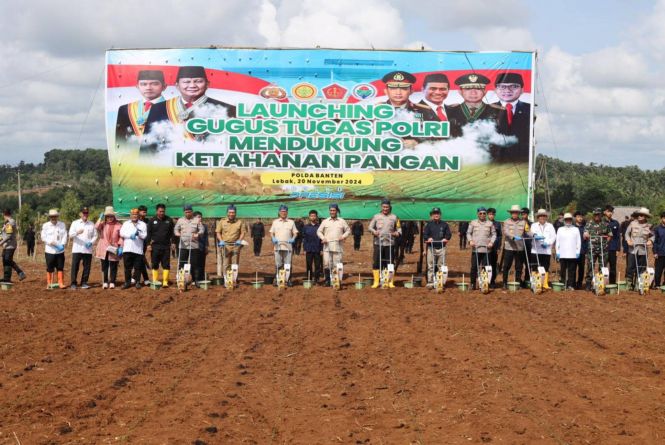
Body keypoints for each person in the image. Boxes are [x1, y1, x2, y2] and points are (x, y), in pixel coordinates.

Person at [141, 66, 237, 154]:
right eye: (186, 82)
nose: (192, 85)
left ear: (208, 84)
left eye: (198, 81)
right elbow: (147, 146)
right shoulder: (158, 108)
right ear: (177, 85)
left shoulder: (227, 109)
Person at [446, 73, 506, 140]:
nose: (473, 92)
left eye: (478, 88)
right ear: (460, 91)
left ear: (485, 91)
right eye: (468, 88)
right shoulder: (449, 111)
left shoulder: (498, 111)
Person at [115, 70, 166, 145]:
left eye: (154, 84)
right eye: (143, 84)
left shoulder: (173, 108)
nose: (148, 88)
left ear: (164, 87)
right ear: (137, 87)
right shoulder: (125, 109)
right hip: (131, 155)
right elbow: (119, 140)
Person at [491, 72, 531, 162]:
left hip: (522, 160)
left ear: (522, 90)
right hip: (493, 161)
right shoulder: (487, 110)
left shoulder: (530, 109)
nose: (508, 90)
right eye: (502, 86)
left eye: (514, 86)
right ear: (495, 90)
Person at [368, 199, 402, 288]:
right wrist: (374, 231)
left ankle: (390, 281)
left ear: (389, 207)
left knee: (390, 263)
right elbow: (370, 227)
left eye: (387, 207)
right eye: (384, 207)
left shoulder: (395, 217)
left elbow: (399, 229)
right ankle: (376, 282)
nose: (385, 209)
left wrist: (396, 233)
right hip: (378, 243)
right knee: (376, 262)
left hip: (390, 243)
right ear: (381, 207)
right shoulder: (376, 216)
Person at [317, 203, 351, 287]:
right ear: (329, 211)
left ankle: (337, 281)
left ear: (337, 211)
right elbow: (318, 231)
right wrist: (323, 238)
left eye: (334, 210)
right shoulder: (325, 221)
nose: (332, 212)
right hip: (327, 246)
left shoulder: (341, 221)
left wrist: (343, 236)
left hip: (337, 246)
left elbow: (348, 230)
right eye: (331, 210)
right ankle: (327, 281)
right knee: (327, 263)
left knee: (337, 264)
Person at [215, 205, 247, 285]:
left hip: (236, 245)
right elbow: (218, 232)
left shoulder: (240, 222)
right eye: (230, 212)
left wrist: (239, 240)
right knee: (226, 264)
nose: (231, 214)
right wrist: (221, 241)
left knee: (235, 264)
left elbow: (243, 232)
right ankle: (226, 280)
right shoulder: (222, 221)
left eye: (233, 212)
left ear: (235, 213)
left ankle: (234, 279)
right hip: (225, 245)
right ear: (227, 213)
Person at [146, 203, 175, 288]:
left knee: (166, 264)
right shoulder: (152, 220)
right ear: (157, 211)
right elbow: (149, 234)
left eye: (163, 211)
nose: (162, 213)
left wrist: (173, 242)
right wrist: (148, 244)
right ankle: (155, 281)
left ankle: (165, 282)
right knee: (155, 264)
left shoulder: (169, 220)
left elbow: (172, 233)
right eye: (160, 211)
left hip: (166, 246)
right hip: (155, 246)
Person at [467, 207, 497, 290]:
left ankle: (484, 284)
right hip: (476, 249)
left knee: (485, 267)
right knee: (474, 267)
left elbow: (494, 234)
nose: (482, 215)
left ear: (486, 214)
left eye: (484, 213)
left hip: (486, 250)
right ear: (477, 214)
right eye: (480, 213)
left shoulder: (490, 223)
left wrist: (491, 242)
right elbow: (468, 233)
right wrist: (470, 241)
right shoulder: (473, 223)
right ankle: (472, 284)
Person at [625, 207, 654, 290]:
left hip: (643, 250)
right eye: (639, 215)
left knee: (642, 268)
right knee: (630, 267)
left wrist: (651, 241)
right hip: (632, 250)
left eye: (642, 215)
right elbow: (627, 234)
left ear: (645, 217)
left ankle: (639, 285)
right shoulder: (632, 224)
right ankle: (629, 285)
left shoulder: (649, 226)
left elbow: (654, 236)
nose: (639, 216)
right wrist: (628, 241)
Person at [68, 206, 97, 289]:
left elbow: (95, 235)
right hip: (77, 249)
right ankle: (73, 283)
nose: (85, 214)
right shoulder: (75, 223)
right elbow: (70, 235)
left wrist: (91, 242)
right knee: (75, 266)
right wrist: (77, 232)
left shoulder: (91, 224)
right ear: (81, 214)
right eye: (84, 213)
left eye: (86, 213)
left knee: (87, 267)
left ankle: (84, 282)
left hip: (87, 249)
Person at [583, 208, 612, 291]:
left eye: (598, 214)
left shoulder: (605, 224)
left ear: (600, 215)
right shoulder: (589, 224)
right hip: (592, 249)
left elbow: (610, 235)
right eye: (595, 214)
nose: (597, 216)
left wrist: (606, 243)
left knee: (602, 266)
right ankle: (588, 284)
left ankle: (600, 283)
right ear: (593, 215)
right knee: (590, 266)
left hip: (603, 249)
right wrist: (586, 235)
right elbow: (585, 235)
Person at [174, 204, 204, 284]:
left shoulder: (197, 220)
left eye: (189, 212)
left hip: (193, 245)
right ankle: (181, 279)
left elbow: (202, 229)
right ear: (184, 212)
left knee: (194, 263)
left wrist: (198, 234)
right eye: (186, 212)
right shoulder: (180, 220)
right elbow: (176, 229)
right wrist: (177, 233)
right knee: (182, 263)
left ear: (192, 212)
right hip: (183, 245)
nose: (188, 213)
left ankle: (195, 280)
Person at [269, 205, 298, 287]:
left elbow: (295, 232)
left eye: (285, 211)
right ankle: (277, 279)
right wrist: (273, 238)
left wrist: (293, 238)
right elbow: (271, 232)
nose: (283, 213)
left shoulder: (291, 222)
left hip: (288, 247)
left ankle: (288, 280)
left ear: (287, 212)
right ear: (279, 212)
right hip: (277, 247)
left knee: (288, 264)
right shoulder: (275, 222)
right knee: (278, 264)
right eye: (282, 211)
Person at [423, 207, 452, 288]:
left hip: (441, 247)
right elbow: (425, 234)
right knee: (430, 265)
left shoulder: (444, 224)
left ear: (440, 214)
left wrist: (446, 238)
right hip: (431, 248)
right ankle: (430, 281)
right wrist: (428, 238)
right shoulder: (429, 224)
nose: (436, 215)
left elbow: (449, 234)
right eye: (434, 213)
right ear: (432, 215)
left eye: (438, 213)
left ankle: (440, 281)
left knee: (441, 265)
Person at [95, 206, 123, 289]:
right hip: (103, 248)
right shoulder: (103, 224)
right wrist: (100, 218)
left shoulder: (119, 225)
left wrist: (120, 246)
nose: (110, 218)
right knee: (104, 265)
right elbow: (96, 227)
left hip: (114, 248)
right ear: (105, 217)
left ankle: (112, 281)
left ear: (114, 216)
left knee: (114, 265)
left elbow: (121, 237)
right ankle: (105, 281)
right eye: (108, 216)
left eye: (111, 216)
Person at [120, 208, 148, 289]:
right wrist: (130, 235)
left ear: (138, 215)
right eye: (133, 214)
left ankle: (137, 282)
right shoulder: (126, 223)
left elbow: (144, 236)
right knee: (127, 267)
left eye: (136, 214)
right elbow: (121, 233)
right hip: (127, 249)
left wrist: (138, 233)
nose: (134, 216)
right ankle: (127, 283)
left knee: (138, 267)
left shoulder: (142, 224)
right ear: (130, 215)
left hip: (138, 249)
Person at [529, 209, 556, 289]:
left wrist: (547, 243)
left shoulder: (550, 226)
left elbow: (554, 236)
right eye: (541, 216)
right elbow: (531, 234)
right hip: (536, 250)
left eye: (544, 216)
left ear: (546, 217)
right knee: (535, 267)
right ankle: (534, 283)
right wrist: (535, 237)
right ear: (538, 217)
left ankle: (544, 283)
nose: (542, 217)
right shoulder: (534, 225)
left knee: (545, 267)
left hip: (546, 250)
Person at [41, 208, 68, 289]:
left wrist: (63, 244)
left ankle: (61, 283)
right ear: (50, 217)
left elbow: (65, 235)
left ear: (57, 216)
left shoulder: (62, 225)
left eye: (55, 216)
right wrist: (50, 242)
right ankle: (49, 283)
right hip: (50, 250)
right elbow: (43, 237)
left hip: (60, 251)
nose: (53, 218)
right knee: (50, 267)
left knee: (60, 267)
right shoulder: (45, 225)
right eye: (52, 217)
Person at [502, 204, 527, 289]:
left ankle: (518, 282)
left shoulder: (523, 222)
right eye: (513, 212)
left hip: (519, 248)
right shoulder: (506, 222)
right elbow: (505, 232)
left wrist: (534, 235)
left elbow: (528, 231)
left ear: (519, 213)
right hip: (509, 247)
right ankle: (504, 283)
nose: (514, 214)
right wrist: (512, 237)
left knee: (519, 267)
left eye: (516, 212)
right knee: (506, 266)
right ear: (511, 213)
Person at [555, 213, 581, 290]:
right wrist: (557, 252)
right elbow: (557, 241)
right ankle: (563, 284)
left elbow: (578, 241)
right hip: (562, 253)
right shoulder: (560, 229)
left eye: (569, 219)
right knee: (562, 270)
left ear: (571, 220)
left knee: (572, 270)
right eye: (566, 219)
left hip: (572, 254)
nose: (568, 221)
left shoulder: (576, 229)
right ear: (564, 220)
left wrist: (577, 251)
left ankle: (570, 285)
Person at [1, 209, 26, 283]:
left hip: (10, 245)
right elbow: (3, 234)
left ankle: (20, 272)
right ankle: (6, 278)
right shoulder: (6, 223)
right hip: (6, 245)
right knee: (5, 260)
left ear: (4, 215)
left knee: (8, 259)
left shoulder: (10, 223)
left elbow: (8, 236)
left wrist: (1, 243)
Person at [302, 210, 323, 284]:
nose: (313, 217)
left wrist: (322, 249)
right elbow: (304, 239)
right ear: (309, 217)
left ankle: (316, 279)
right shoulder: (306, 227)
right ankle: (309, 278)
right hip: (309, 249)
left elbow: (322, 239)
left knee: (318, 265)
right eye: (311, 216)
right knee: (308, 264)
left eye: (314, 216)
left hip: (317, 249)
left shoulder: (320, 227)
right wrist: (304, 249)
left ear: (316, 217)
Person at [603, 205, 621, 284]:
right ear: (604, 212)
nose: (610, 213)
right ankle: (602, 283)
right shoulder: (601, 222)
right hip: (603, 248)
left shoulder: (616, 223)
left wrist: (618, 249)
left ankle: (612, 284)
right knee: (603, 267)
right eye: (608, 211)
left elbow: (617, 237)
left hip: (613, 248)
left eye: (611, 212)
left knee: (613, 267)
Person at [487, 208, 502, 288]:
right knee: (485, 264)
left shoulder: (497, 224)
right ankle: (485, 280)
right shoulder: (484, 223)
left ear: (494, 215)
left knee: (493, 264)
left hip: (494, 248)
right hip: (485, 248)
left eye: (492, 214)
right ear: (487, 215)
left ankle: (492, 281)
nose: (491, 216)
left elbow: (499, 236)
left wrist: (499, 247)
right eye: (489, 214)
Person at [574, 211, 588, 289]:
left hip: (582, 251)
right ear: (575, 218)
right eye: (579, 217)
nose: (580, 218)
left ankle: (579, 283)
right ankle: (572, 283)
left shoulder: (585, 228)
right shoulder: (572, 227)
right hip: (573, 251)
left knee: (581, 268)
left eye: (581, 217)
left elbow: (586, 240)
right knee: (573, 268)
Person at [194, 211, 209, 280]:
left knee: (202, 264)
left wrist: (206, 247)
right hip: (194, 248)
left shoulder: (204, 226)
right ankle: (194, 278)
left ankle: (201, 278)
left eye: (200, 217)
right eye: (198, 217)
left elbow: (206, 237)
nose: (200, 218)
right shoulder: (192, 226)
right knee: (194, 264)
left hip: (202, 247)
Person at [653, 211, 665, 288]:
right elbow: (655, 242)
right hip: (660, 253)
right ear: (661, 219)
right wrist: (655, 252)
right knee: (658, 270)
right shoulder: (657, 229)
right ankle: (657, 284)